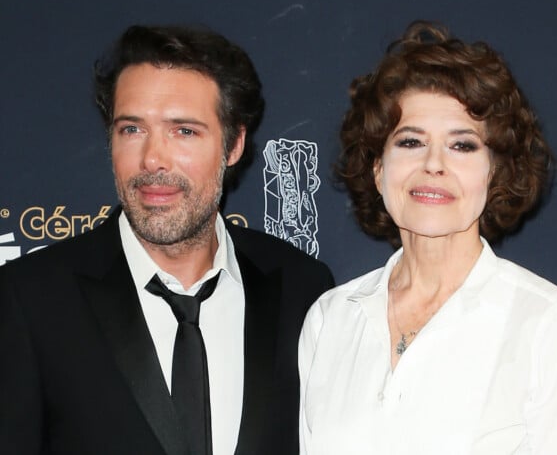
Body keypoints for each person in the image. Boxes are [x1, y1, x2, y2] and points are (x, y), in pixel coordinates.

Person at [0, 25, 334, 455]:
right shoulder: (31, 298)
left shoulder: (303, 290)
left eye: (184, 131)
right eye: (132, 130)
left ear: (233, 145)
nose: (152, 158)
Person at [299, 21, 557, 454]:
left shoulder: (552, 327)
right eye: (410, 141)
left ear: (495, 172)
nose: (434, 164)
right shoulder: (331, 319)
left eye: (462, 146)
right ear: (378, 169)